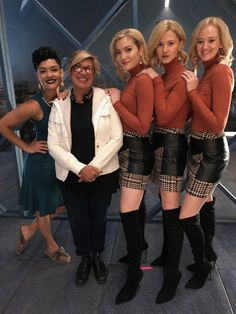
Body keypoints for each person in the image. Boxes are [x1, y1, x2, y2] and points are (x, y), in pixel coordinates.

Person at [47, 50, 123, 287]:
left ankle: (97, 256)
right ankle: (85, 257)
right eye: (78, 67)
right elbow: (53, 145)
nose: (83, 72)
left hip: (102, 174)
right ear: (70, 72)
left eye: (88, 68)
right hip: (72, 176)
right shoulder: (59, 104)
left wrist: (94, 167)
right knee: (78, 221)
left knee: (99, 219)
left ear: (94, 72)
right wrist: (81, 169)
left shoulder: (105, 99)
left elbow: (117, 137)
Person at [0, 46, 71, 264]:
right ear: (37, 75)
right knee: (44, 207)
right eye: (43, 71)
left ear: (61, 72)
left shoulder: (66, 98)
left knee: (65, 202)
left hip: (62, 162)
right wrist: (26, 147)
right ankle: (51, 247)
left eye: (53, 70)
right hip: (41, 165)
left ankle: (29, 230)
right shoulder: (33, 105)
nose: (50, 75)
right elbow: (3, 125)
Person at [180, 16, 234, 292]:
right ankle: (209, 255)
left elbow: (217, 125)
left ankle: (202, 266)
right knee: (207, 203)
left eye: (211, 40)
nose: (203, 46)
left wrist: (192, 93)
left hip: (211, 151)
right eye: (200, 41)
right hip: (198, 148)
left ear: (222, 43)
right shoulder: (209, 72)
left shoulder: (222, 72)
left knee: (187, 216)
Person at [141, 20, 189, 303]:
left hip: (171, 146)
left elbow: (167, 115)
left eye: (170, 43)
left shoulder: (182, 76)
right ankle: (166, 255)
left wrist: (156, 82)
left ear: (180, 44)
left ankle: (173, 274)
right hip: (160, 143)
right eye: (160, 44)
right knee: (166, 206)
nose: (165, 49)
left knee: (171, 213)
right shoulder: (164, 75)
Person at [107, 28, 154, 304]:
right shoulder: (135, 77)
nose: (122, 56)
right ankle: (141, 245)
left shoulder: (143, 80)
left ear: (140, 49)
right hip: (130, 150)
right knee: (136, 206)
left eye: (128, 49)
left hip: (137, 151)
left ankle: (135, 274)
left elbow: (143, 125)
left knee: (126, 210)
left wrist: (116, 102)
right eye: (118, 51)